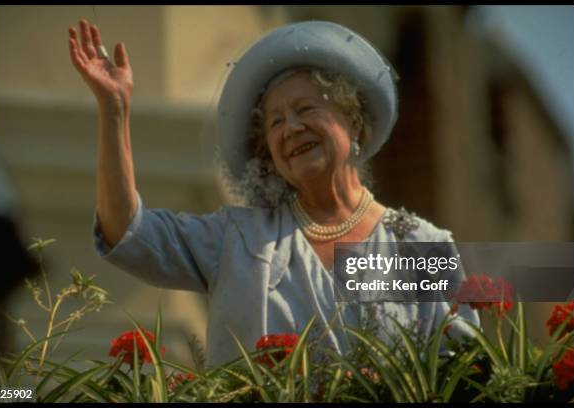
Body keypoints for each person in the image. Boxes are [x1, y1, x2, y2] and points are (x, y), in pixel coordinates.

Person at [68, 19, 479, 368]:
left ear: (353, 121)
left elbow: (460, 372)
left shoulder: (419, 246)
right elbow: (128, 232)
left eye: (306, 109)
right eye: (275, 122)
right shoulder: (237, 239)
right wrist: (114, 110)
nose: (290, 129)